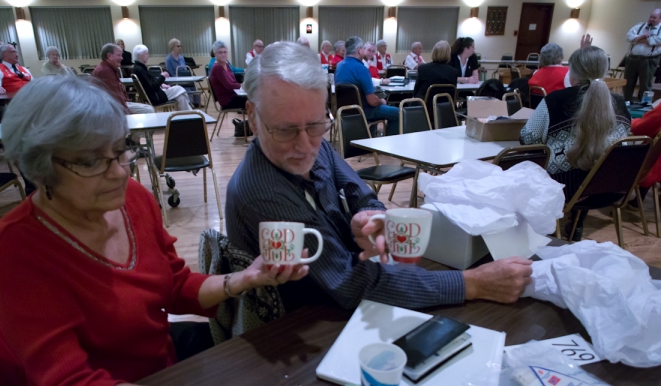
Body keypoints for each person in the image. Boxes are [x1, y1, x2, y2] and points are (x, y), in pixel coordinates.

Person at [0, 75, 308, 386]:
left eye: (120, 152)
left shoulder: (135, 198)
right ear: (41, 167)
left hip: (164, 382)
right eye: (90, 161)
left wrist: (243, 279)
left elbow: (174, 287)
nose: (118, 172)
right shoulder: (13, 247)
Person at [226, 41, 533, 314]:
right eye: (285, 130)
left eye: (316, 125)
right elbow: (347, 283)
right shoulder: (258, 188)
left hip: (347, 305)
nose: (306, 146)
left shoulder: (310, 147)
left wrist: (368, 219)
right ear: (252, 116)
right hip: (300, 330)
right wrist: (472, 283)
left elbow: (363, 197)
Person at [520, 46, 631, 240]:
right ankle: (576, 224)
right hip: (612, 186)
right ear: (605, 71)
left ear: (572, 73)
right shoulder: (620, 104)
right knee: (589, 161)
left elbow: (527, 139)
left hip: (564, 187)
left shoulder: (555, 101)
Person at [335, 36, 399, 136]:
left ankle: (370, 136)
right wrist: (381, 101)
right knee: (397, 112)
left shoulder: (339, 66)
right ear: (359, 50)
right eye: (364, 48)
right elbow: (372, 101)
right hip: (363, 111)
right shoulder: (361, 69)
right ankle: (389, 145)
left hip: (344, 111)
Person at [92, 43, 153, 115]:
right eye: (119, 55)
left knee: (148, 108)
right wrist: (127, 112)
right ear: (109, 56)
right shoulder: (104, 71)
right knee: (149, 110)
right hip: (110, 108)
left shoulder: (109, 69)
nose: (122, 58)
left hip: (115, 105)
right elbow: (115, 97)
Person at [133, 44, 191, 111]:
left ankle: (188, 114)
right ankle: (190, 114)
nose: (148, 56)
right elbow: (152, 86)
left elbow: (150, 83)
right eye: (146, 54)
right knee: (180, 89)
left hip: (154, 95)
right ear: (139, 55)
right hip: (156, 97)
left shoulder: (138, 68)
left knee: (181, 96)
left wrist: (161, 84)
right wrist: (162, 76)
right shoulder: (140, 69)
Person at [624, 9, 661, 102]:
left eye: (654, 18)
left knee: (645, 85)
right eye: (650, 17)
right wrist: (642, 37)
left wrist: (638, 39)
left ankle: (643, 106)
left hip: (648, 61)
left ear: (660, 19)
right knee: (628, 83)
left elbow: (657, 40)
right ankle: (625, 102)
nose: (651, 19)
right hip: (632, 59)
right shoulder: (640, 26)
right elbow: (628, 36)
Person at [208, 40, 246, 110]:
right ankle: (253, 120)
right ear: (215, 54)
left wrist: (240, 86)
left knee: (254, 98)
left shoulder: (226, 64)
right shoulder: (217, 67)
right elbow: (229, 86)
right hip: (227, 100)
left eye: (225, 52)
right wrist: (241, 85)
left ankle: (252, 120)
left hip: (234, 95)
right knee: (254, 101)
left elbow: (233, 81)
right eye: (220, 52)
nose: (223, 54)